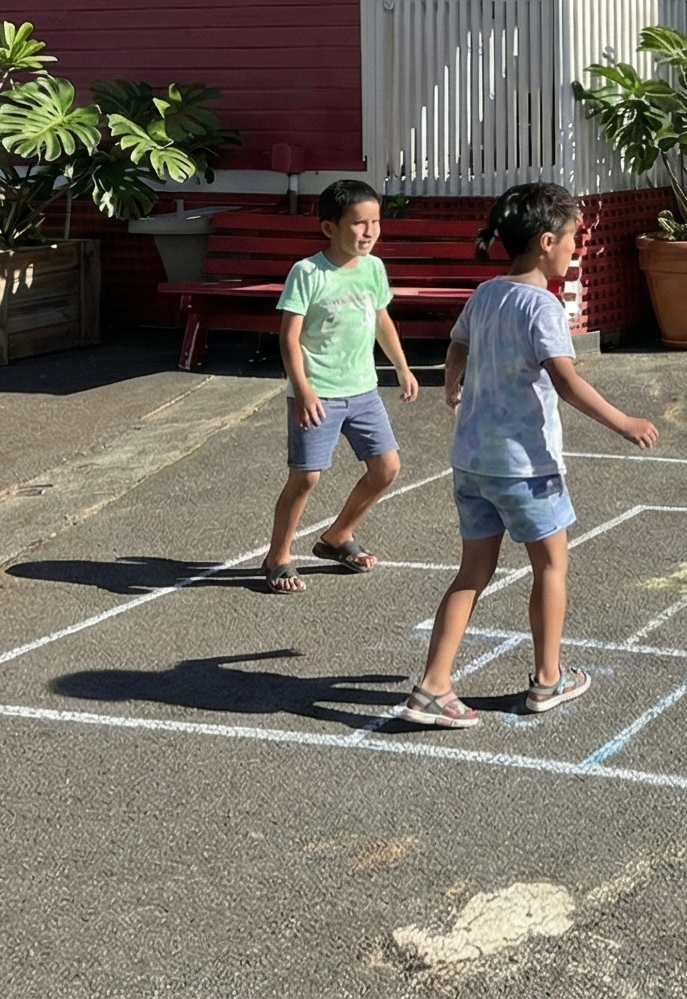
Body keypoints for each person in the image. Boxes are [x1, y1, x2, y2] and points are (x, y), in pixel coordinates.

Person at [403, 182, 659, 728]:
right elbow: (564, 381)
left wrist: (452, 382)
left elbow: (458, 342)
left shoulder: (486, 293)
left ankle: (432, 686)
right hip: (526, 469)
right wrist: (624, 422)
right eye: (572, 238)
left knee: (472, 572)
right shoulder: (542, 306)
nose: (575, 248)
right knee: (551, 566)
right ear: (546, 242)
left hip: (473, 462)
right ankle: (548, 679)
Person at [263, 179, 418, 595]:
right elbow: (289, 338)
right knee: (306, 477)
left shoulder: (373, 268)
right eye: (358, 223)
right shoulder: (308, 273)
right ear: (329, 228)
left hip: (363, 390)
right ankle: (277, 557)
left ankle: (338, 535)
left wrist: (402, 367)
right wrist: (303, 389)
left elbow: (381, 320)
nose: (369, 232)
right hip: (318, 393)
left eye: (375, 222)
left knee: (386, 468)